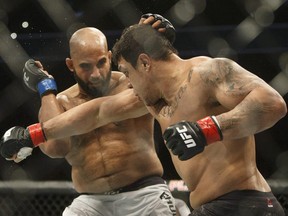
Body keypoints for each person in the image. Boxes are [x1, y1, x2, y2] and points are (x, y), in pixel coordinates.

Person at [0, 15, 186, 216]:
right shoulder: (62, 101)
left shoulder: (131, 84)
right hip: (91, 203)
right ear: (71, 65)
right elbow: (56, 147)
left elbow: (168, 81)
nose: (96, 74)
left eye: (101, 63)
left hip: (144, 193)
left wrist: (159, 46)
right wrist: (45, 88)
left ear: (108, 56)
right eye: (85, 66)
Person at [111, 24, 287, 215]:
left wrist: (205, 130)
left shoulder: (206, 72)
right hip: (211, 208)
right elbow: (99, 109)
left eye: (127, 72)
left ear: (145, 63)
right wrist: (143, 30)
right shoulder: (156, 104)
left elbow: (273, 103)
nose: (128, 83)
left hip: (244, 204)